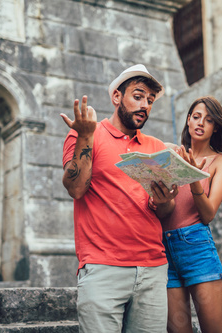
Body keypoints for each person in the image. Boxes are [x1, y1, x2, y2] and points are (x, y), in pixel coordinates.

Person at [61, 64, 179, 333]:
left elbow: (164, 212)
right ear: (117, 97)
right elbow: (75, 188)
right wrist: (86, 136)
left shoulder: (156, 148)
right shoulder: (86, 133)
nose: (145, 105)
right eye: (138, 96)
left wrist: (164, 200)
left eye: (150, 101)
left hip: (152, 268)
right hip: (103, 267)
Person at [157, 96, 222, 333]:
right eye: (196, 116)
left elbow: (208, 214)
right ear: (188, 120)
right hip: (164, 249)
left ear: (216, 128)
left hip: (196, 247)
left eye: (209, 119)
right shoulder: (171, 154)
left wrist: (194, 178)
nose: (201, 122)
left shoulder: (221, 161)